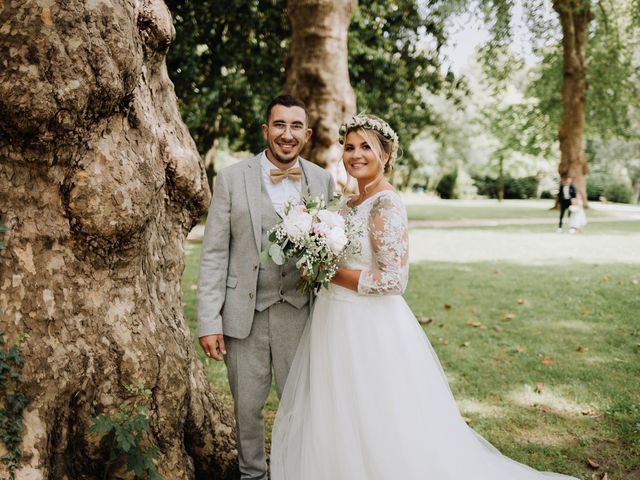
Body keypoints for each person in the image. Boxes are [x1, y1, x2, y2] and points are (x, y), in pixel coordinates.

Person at [270, 114, 578, 480]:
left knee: (375, 410)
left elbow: (393, 279)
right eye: (349, 147)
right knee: (335, 407)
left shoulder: (385, 204)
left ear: (386, 154)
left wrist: (329, 272)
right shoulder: (347, 204)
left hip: (369, 324)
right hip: (331, 319)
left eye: (366, 147)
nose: (355, 155)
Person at [197, 94, 335, 480]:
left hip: (300, 314)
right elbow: (213, 254)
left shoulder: (322, 181)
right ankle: (252, 474)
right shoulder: (230, 178)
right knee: (247, 408)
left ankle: (296, 471)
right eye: (279, 125)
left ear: (306, 134)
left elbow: (332, 250)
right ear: (265, 130)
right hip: (245, 315)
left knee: (300, 407)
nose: (286, 135)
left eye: (295, 127)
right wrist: (209, 320)